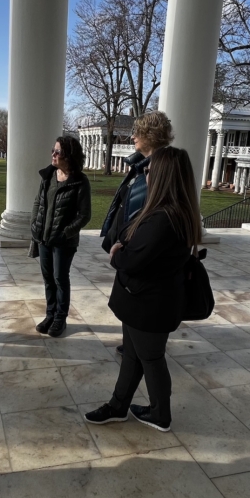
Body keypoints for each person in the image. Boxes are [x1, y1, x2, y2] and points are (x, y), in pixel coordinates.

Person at [84, 146, 201, 432]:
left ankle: (160, 414)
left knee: (150, 359)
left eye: (149, 170)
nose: (145, 174)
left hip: (149, 304)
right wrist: (124, 243)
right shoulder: (175, 212)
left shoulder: (163, 218)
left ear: (162, 175)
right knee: (136, 357)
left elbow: (129, 259)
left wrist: (116, 251)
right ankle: (118, 405)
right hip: (146, 301)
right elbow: (131, 241)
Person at [99, 111, 174, 356]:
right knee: (127, 294)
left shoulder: (161, 168)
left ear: (149, 135)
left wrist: (127, 244)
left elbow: (148, 213)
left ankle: (138, 344)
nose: (132, 138)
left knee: (136, 292)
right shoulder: (142, 165)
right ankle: (130, 340)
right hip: (128, 243)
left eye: (137, 133)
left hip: (138, 246)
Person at [29, 135, 91, 337]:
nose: (53, 154)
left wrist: (65, 233)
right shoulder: (49, 176)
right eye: (53, 150)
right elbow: (38, 202)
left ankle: (60, 318)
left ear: (69, 156)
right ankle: (50, 314)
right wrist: (35, 225)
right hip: (44, 238)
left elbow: (84, 215)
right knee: (48, 278)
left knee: (60, 278)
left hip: (63, 242)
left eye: (58, 152)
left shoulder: (79, 182)